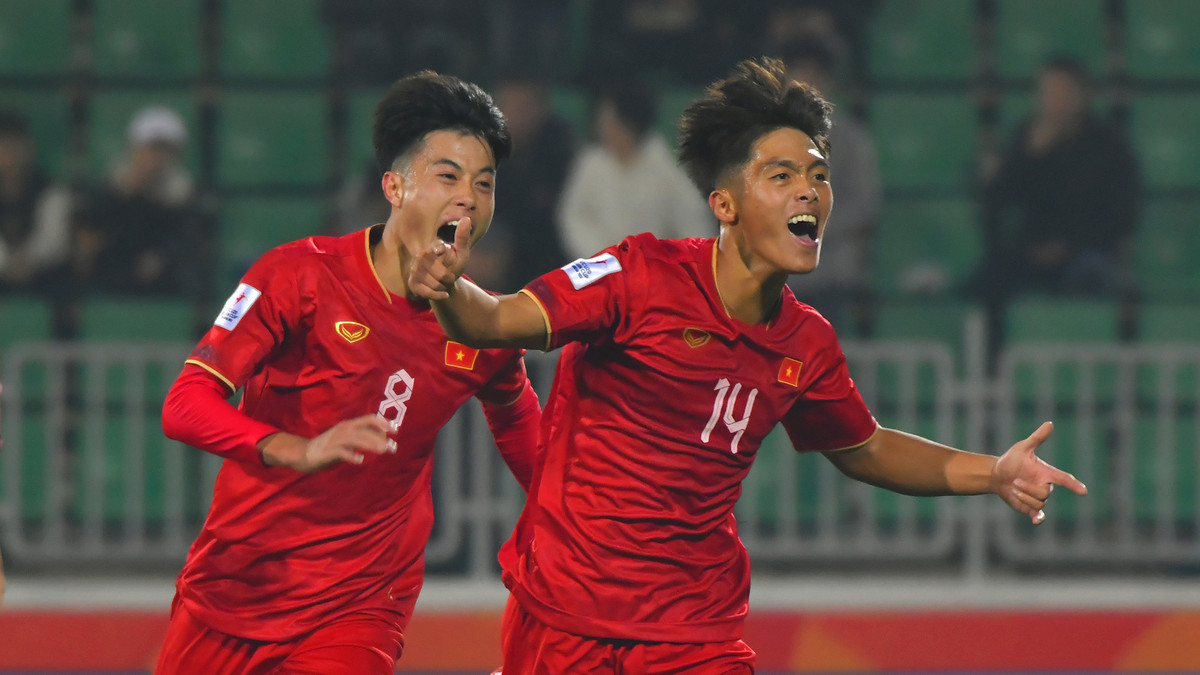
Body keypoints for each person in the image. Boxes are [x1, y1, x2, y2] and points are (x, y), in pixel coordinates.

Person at [410, 57, 1088, 674]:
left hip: (694, 629)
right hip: (566, 617)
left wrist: (992, 472)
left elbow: (867, 448)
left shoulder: (806, 342)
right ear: (725, 204)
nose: (809, 192)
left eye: (818, 175)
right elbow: (493, 321)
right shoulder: (636, 275)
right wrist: (443, 276)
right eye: (782, 176)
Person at [153, 71, 542, 675]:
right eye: (448, 176)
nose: (468, 197)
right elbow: (184, 404)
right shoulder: (298, 277)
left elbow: (526, 437)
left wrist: (593, 526)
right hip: (238, 583)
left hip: (362, 601)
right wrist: (295, 449)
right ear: (394, 186)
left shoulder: (485, 328)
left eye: (484, 183)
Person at [973, 56, 1141, 344]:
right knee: (986, 281)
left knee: (1090, 278)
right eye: (1047, 92)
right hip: (1031, 250)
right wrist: (1029, 155)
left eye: (1061, 92)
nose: (1053, 101)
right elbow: (1000, 199)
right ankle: (992, 363)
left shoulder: (1108, 145)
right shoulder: (1026, 136)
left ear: (1081, 96)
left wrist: (1070, 246)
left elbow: (1123, 213)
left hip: (1087, 250)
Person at [73, 105, 216, 336]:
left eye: (163, 151)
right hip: (113, 283)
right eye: (150, 149)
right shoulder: (112, 186)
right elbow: (93, 229)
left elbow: (186, 240)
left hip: (166, 287)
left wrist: (160, 258)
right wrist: (122, 195)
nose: (155, 158)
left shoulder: (184, 196)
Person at [782, 37, 881, 333]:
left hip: (830, 272)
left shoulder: (850, 140)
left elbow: (863, 207)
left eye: (813, 80)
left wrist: (810, 223)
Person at [557, 78, 713, 260]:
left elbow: (693, 223)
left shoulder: (665, 168)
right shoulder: (591, 163)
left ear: (630, 123)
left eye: (611, 120)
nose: (603, 127)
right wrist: (602, 254)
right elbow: (573, 216)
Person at [491, 71, 577, 292]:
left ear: (540, 109)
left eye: (524, 107)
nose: (516, 115)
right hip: (499, 244)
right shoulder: (487, 144)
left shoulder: (560, 148)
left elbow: (567, 213)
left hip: (550, 249)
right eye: (510, 107)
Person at [0, 110, 74, 336]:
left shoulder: (50, 190)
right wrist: (7, 262)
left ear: (27, 149)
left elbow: (53, 240)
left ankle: (61, 351)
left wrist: (26, 259)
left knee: (64, 286)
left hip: (41, 274)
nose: (8, 157)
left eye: (14, 148)